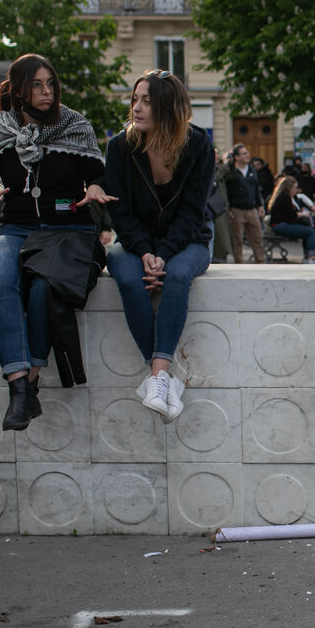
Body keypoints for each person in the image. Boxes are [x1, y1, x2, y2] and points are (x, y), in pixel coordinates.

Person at [0, 53, 112, 430]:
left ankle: (30, 380)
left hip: (69, 228)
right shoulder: (1, 128)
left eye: (51, 84)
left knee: (44, 289)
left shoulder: (75, 124)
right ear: (20, 89)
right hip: (16, 227)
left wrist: (95, 187)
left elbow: (98, 173)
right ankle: (18, 387)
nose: (47, 91)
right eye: (37, 85)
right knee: (0, 278)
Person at [104, 70, 213, 423]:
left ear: (167, 107)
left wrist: (163, 254)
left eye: (146, 101)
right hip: (134, 241)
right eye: (135, 100)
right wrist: (145, 252)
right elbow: (119, 212)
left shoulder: (198, 145)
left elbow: (192, 213)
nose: (136, 108)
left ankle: (156, 377)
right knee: (126, 275)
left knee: (178, 276)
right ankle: (163, 378)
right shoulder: (120, 147)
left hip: (188, 240)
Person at [220, 143, 266, 263]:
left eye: (247, 152)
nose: (247, 155)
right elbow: (226, 191)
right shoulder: (231, 172)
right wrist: (229, 209)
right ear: (237, 157)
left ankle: (261, 263)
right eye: (244, 153)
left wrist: (260, 205)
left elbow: (256, 189)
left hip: (252, 209)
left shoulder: (252, 170)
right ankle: (239, 264)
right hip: (237, 210)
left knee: (257, 238)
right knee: (237, 240)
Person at [267, 176, 315, 264]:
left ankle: (308, 257)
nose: (296, 190)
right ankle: (312, 257)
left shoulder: (282, 196)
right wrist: (303, 214)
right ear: (289, 187)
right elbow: (292, 215)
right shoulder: (285, 197)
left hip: (279, 225)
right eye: (295, 187)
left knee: (308, 231)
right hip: (281, 226)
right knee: (311, 232)